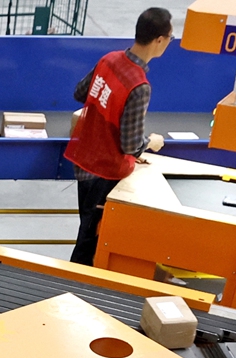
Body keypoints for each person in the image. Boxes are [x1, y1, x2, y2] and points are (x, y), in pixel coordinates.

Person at [66, 7, 174, 268]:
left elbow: (81, 93)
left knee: (87, 228)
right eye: (170, 37)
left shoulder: (109, 59)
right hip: (105, 171)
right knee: (89, 241)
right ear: (159, 39)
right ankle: (71, 286)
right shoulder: (139, 86)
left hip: (83, 161)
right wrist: (152, 142)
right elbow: (130, 144)